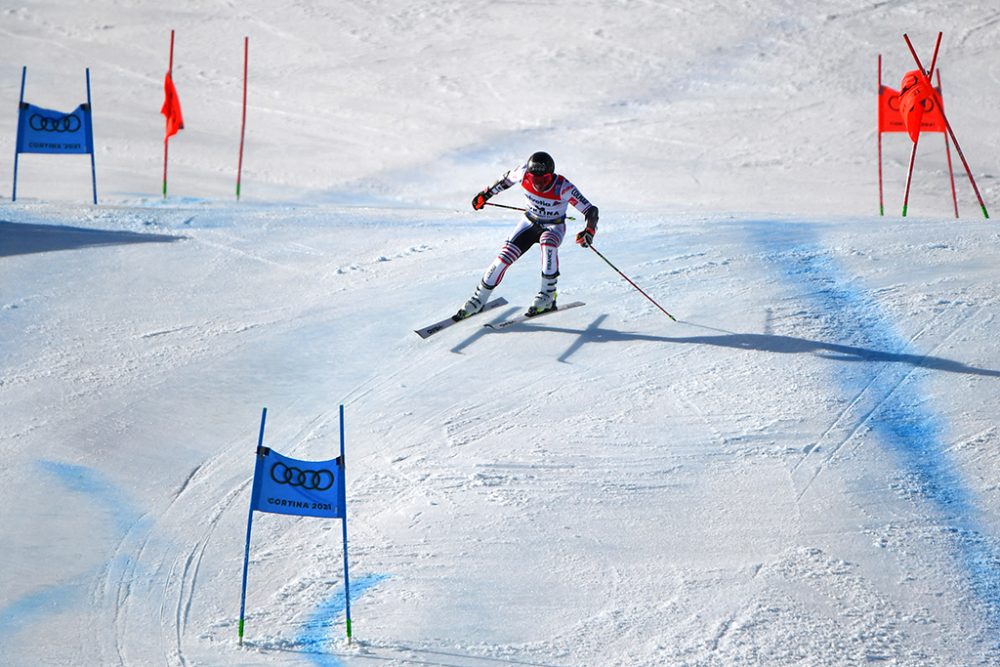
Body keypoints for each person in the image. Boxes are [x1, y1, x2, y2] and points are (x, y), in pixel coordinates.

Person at [456, 151, 599, 319]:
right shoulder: (523, 173)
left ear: (551, 176)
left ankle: (547, 295)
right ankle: (479, 299)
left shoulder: (563, 187)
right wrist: (485, 195)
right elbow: (504, 181)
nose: (538, 183)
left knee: (548, 245)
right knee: (503, 257)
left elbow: (591, 210)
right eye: (535, 179)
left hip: (553, 226)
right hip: (528, 223)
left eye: (543, 180)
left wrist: (589, 231)